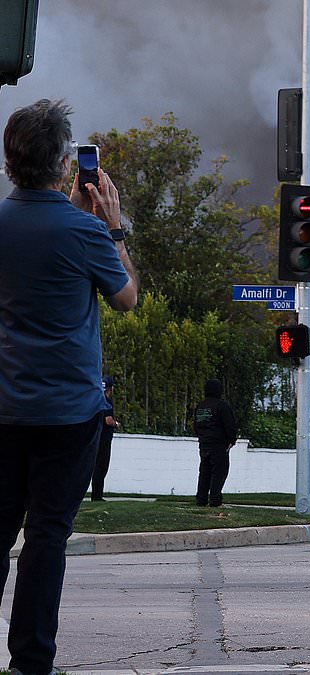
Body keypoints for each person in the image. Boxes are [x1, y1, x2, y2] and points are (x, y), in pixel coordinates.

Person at [0, 99, 138, 675]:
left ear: (10, 163)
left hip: (4, 411)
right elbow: (127, 296)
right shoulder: (85, 232)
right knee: (46, 538)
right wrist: (113, 225)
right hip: (69, 415)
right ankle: (30, 662)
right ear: (64, 164)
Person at [192, 379, 238, 508]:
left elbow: (196, 425)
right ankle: (215, 500)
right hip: (219, 444)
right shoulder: (221, 406)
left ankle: (201, 499)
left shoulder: (200, 406)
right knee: (219, 472)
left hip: (204, 443)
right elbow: (230, 425)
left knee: (204, 472)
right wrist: (231, 440)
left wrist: (202, 437)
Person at [91, 376, 121, 501]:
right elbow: (108, 420)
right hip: (104, 439)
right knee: (102, 466)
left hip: (96, 437)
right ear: (111, 388)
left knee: (95, 466)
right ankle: (97, 495)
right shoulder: (107, 401)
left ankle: (96, 494)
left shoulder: (96, 400)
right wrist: (117, 424)